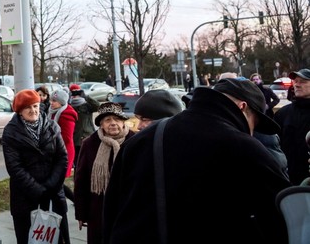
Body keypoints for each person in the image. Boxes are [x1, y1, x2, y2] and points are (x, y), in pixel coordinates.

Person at [103, 79, 290, 242]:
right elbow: (283, 216)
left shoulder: (141, 140)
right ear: (243, 107)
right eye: (254, 123)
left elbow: (112, 209)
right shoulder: (245, 147)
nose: (251, 131)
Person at [2, 89, 70, 244]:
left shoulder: (52, 126)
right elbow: (15, 168)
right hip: (25, 199)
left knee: (59, 239)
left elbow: (62, 158)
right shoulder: (11, 132)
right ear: (19, 111)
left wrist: (51, 185)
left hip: (54, 196)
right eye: (28, 107)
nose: (33, 110)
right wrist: (38, 190)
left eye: (35, 106)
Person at [73, 102, 133, 244]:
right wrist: (81, 213)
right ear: (101, 124)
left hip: (128, 208)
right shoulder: (89, 143)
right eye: (107, 120)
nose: (113, 123)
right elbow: (81, 180)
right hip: (99, 210)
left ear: (123, 121)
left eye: (117, 119)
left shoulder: (135, 140)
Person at [275, 68, 310, 185]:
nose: (297, 85)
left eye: (303, 81)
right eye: (295, 81)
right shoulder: (283, 113)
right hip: (288, 178)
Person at [70, 85, 99, 167]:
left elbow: (98, 106)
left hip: (88, 136)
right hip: (75, 139)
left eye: (78, 92)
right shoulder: (69, 106)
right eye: (74, 93)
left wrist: (86, 97)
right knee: (78, 163)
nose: (76, 96)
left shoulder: (86, 106)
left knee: (90, 161)